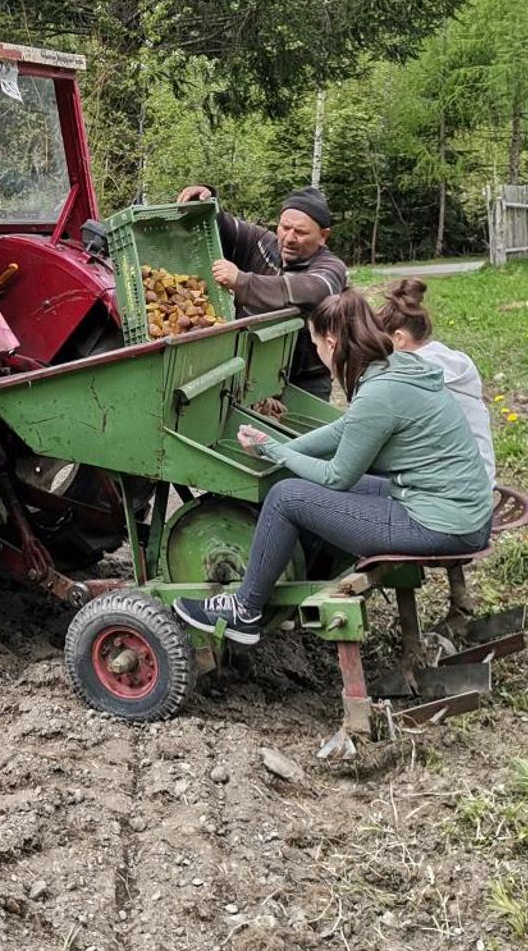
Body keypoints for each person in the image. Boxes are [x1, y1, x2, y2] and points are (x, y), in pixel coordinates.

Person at [174, 288, 494, 647]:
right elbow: (344, 430)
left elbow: (337, 476)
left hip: (441, 524)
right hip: (453, 509)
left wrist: (276, 452)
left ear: (331, 340)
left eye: (316, 345)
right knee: (306, 484)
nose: (319, 354)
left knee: (285, 497)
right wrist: (275, 449)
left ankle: (244, 611)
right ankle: (291, 576)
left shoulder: (378, 394)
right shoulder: (399, 366)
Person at [177, 184, 346, 399]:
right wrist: (205, 200)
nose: (289, 238)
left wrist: (242, 282)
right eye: (285, 228)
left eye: (301, 232)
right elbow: (222, 225)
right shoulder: (261, 243)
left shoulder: (331, 267)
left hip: (304, 381)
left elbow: (313, 290)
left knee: (301, 432)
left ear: (323, 235)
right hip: (250, 372)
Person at [374, 277, 495, 487]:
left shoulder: (416, 375)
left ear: (399, 338)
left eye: (382, 343)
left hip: (454, 490)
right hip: (480, 478)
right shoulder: (453, 361)